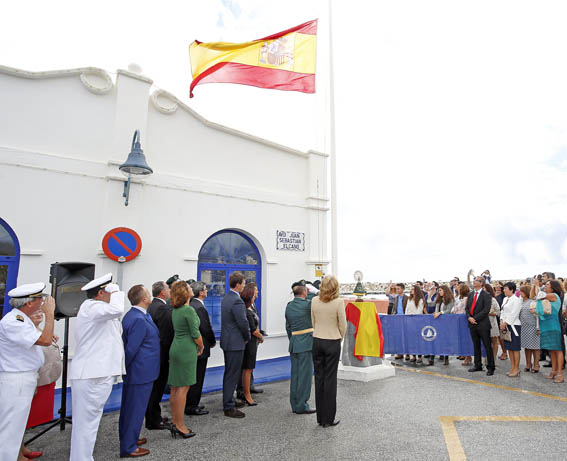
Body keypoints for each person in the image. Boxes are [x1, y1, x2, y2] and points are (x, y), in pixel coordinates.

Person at [70, 274, 125, 461]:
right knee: (86, 425)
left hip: (98, 373)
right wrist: (116, 290)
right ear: (102, 292)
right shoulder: (91, 307)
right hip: (91, 375)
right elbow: (118, 309)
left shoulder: (99, 310)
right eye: (109, 290)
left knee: (88, 425)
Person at [0, 283, 55, 461]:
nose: (43, 302)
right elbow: (45, 341)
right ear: (29, 303)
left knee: (17, 425)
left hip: (24, 377)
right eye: (40, 298)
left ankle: (18, 454)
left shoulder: (22, 318)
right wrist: (49, 314)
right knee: (10, 430)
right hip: (16, 379)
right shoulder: (13, 321)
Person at [119, 285, 160, 458]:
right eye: (148, 294)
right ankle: (128, 447)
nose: (150, 296)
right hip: (139, 372)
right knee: (134, 409)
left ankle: (130, 437)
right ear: (143, 299)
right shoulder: (138, 319)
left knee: (132, 408)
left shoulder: (139, 315)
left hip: (141, 371)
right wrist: (126, 369)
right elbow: (131, 349)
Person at [168, 281, 203, 438]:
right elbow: (195, 333)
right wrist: (201, 347)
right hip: (186, 349)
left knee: (175, 387)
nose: (191, 288)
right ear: (185, 293)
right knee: (183, 388)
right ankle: (181, 425)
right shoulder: (188, 310)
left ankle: (175, 422)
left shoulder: (175, 310)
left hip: (176, 348)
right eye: (189, 287)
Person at [311, 275, 347, 428]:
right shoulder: (339, 302)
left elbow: (313, 321)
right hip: (332, 341)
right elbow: (343, 325)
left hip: (317, 340)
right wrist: (339, 338)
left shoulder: (314, 301)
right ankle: (328, 418)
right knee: (330, 380)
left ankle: (320, 418)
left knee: (319, 378)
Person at [220, 272, 251, 418]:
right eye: (243, 284)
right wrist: (247, 337)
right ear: (237, 284)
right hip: (235, 342)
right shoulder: (237, 301)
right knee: (232, 374)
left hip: (227, 341)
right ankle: (229, 406)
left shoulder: (226, 298)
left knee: (229, 372)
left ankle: (229, 400)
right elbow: (242, 322)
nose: (244, 287)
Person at [285, 281, 317, 415]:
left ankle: (295, 404)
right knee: (305, 377)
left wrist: (293, 340)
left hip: (294, 343)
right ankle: (302, 405)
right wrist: (314, 290)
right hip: (306, 344)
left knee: (296, 375)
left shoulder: (289, 306)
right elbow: (320, 299)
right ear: (305, 292)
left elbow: (288, 327)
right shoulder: (308, 305)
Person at [145, 281, 173, 430]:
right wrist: (169, 355)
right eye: (168, 288)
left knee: (154, 388)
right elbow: (166, 335)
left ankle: (152, 416)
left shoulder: (152, 305)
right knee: (158, 388)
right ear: (162, 292)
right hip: (161, 355)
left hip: (154, 353)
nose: (169, 290)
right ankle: (154, 420)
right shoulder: (162, 308)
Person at [185, 281, 216, 416]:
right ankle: (192, 405)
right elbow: (205, 328)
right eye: (205, 289)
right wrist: (212, 341)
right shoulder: (199, 307)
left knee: (194, 377)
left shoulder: (193, 305)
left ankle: (191, 403)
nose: (207, 291)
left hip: (194, 347)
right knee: (198, 377)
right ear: (201, 292)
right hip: (200, 348)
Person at [532, 280, 564, 383]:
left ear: (553, 287)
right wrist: (535, 286)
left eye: (547, 285)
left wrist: (537, 286)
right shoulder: (548, 296)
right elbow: (534, 296)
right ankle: (553, 371)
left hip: (553, 326)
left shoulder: (553, 295)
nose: (545, 286)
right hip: (546, 326)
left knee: (558, 350)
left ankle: (560, 373)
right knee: (552, 350)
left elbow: (538, 297)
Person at [239, 282, 264, 405]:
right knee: (247, 368)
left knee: (249, 368)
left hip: (253, 342)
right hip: (250, 343)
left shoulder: (251, 307)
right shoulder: (246, 310)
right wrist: (260, 337)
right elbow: (252, 328)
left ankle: (249, 389)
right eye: (256, 291)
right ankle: (246, 394)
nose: (257, 293)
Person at [465, 276, 495, 376]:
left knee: (487, 346)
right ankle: (477, 365)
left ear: (481, 283)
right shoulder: (471, 294)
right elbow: (467, 308)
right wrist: (469, 317)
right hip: (472, 324)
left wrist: (475, 318)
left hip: (483, 324)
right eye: (474, 280)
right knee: (476, 345)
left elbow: (486, 310)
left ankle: (491, 367)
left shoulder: (486, 295)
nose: (474, 282)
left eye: (476, 280)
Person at [499, 282, 522, 377]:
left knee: (515, 348)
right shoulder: (505, 299)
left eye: (505, 288)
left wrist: (506, 322)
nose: (504, 290)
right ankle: (512, 367)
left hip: (513, 325)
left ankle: (516, 368)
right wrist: (501, 321)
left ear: (511, 290)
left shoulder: (517, 300)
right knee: (509, 348)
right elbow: (502, 311)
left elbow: (514, 313)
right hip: (505, 326)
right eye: (503, 289)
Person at [430, 285, 454, 366]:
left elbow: (449, 310)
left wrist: (440, 313)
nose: (439, 292)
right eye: (438, 290)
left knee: (445, 340)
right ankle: (432, 358)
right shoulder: (438, 299)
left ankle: (446, 357)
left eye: (440, 290)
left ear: (445, 291)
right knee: (434, 339)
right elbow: (431, 304)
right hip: (437, 322)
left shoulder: (450, 299)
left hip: (445, 323)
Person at [519, 285, 540, 373]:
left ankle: (536, 365)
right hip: (523, 327)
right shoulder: (520, 301)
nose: (520, 293)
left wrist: (538, 327)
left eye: (522, 291)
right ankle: (528, 364)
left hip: (533, 326)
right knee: (527, 347)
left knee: (535, 347)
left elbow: (537, 316)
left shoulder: (533, 302)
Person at [404, 284, 426, 363]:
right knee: (411, 340)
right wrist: (406, 318)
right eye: (411, 289)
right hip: (409, 322)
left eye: (413, 289)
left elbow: (419, 311)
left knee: (418, 340)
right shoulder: (409, 299)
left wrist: (414, 318)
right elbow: (407, 309)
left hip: (417, 322)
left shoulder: (420, 300)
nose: (411, 290)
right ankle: (413, 356)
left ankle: (419, 357)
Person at [452, 284, 472, 366]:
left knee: (466, 338)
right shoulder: (458, 298)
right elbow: (454, 307)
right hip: (457, 319)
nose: (457, 289)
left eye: (459, 288)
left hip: (464, 319)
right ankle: (464, 354)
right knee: (461, 338)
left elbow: (467, 309)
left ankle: (468, 356)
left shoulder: (467, 298)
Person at [387, 283, 407, 360]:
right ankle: (399, 353)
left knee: (406, 337)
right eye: (397, 289)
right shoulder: (396, 298)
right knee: (398, 337)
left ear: (402, 289)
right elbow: (394, 309)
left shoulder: (407, 298)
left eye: (398, 289)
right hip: (397, 319)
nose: (397, 290)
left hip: (405, 319)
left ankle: (407, 354)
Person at [484, 284, 501, 365]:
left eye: (484, 289)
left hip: (492, 323)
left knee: (494, 341)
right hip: (483, 323)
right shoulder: (479, 300)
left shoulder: (492, 300)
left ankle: (493, 359)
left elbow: (498, 311)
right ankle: (487, 358)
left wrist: (491, 313)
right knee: (486, 342)